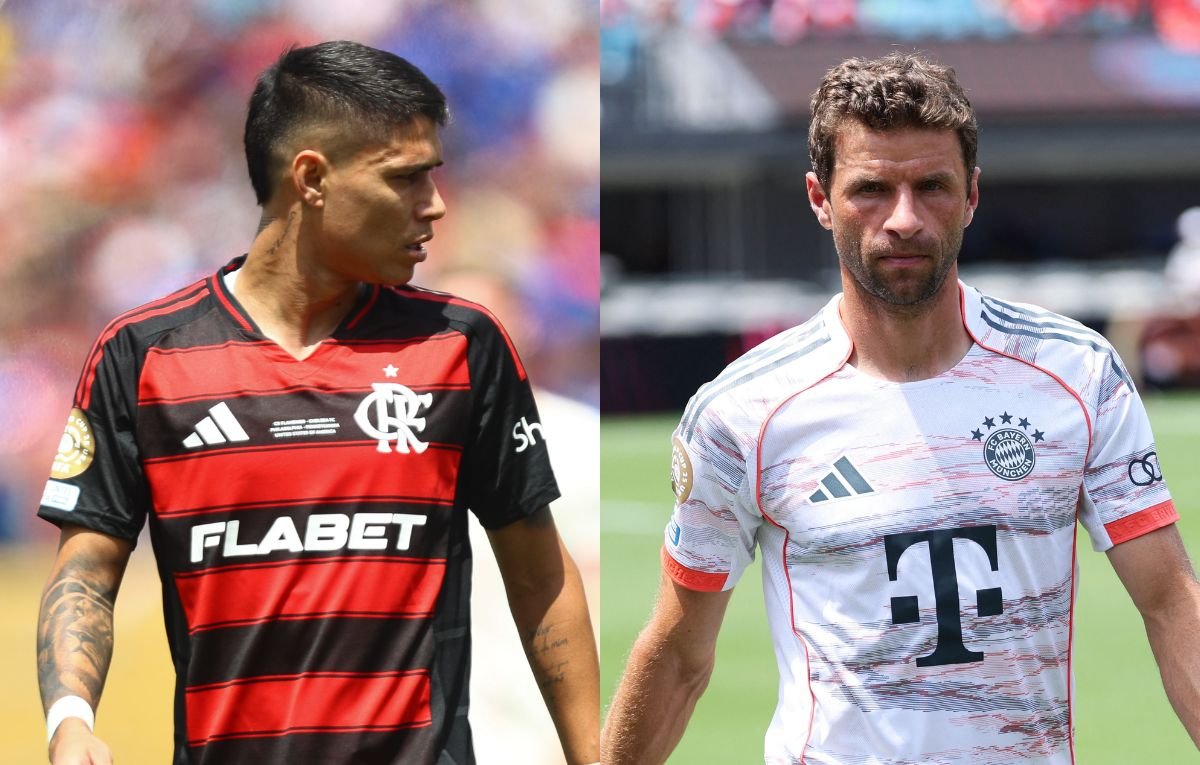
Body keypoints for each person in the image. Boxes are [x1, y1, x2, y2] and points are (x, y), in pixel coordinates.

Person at [602, 52, 1200, 764]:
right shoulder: (742, 412)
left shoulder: (1076, 374)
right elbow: (677, 655)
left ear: (973, 194)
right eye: (871, 190)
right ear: (819, 199)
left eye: (932, 186)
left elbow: (1170, 603)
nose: (905, 219)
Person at [36, 40, 600, 765]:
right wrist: (70, 719)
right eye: (405, 179)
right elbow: (87, 565)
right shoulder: (144, 356)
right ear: (311, 178)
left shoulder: (463, 346)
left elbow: (540, 576)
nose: (436, 205)